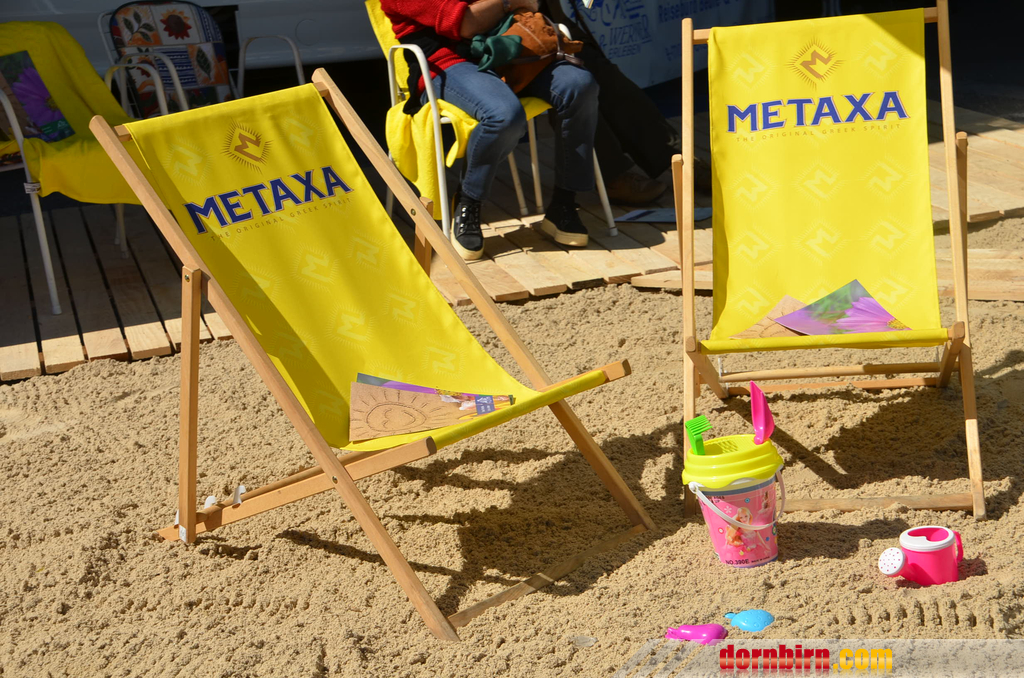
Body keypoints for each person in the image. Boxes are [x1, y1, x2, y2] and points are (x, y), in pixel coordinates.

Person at [381, 0, 600, 259]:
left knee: (579, 85)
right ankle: (468, 201)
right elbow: (464, 23)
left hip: (510, 51)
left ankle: (563, 203)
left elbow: (532, 3)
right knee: (504, 114)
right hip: (446, 63)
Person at [540, 0, 712, 204]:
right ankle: (612, 175)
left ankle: (674, 156)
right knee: (572, 86)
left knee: (605, 74)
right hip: (512, 38)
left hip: (544, 19)